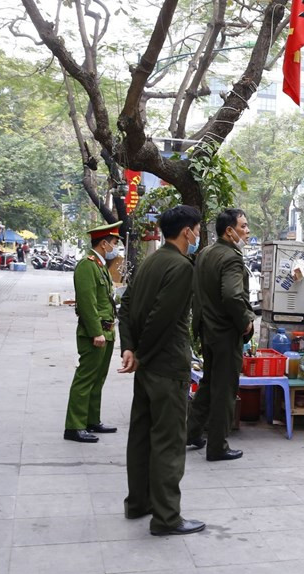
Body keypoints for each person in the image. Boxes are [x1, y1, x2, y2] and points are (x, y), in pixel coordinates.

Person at [118, 205, 206, 536]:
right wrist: (139, 352)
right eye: (196, 230)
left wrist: (130, 347)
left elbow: (125, 306)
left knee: (140, 437)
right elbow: (163, 319)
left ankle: (138, 503)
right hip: (166, 365)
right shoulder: (180, 267)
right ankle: (167, 517)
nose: (197, 236)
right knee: (168, 441)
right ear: (186, 231)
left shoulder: (151, 261)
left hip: (147, 366)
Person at [186, 209, 255, 461]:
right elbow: (232, 295)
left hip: (206, 329)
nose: (247, 232)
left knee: (208, 383)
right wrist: (245, 320)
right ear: (229, 231)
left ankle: (191, 432)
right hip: (225, 333)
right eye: (244, 226)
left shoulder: (205, 253)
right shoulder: (231, 258)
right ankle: (217, 446)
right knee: (224, 389)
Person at [63, 221, 123, 443]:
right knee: (86, 378)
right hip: (95, 333)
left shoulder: (99, 266)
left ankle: (91, 420)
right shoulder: (86, 266)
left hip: (106, 331)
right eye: (115, 243)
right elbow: (87, 303)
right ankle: (74, 426)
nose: (116, 247)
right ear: (104, 243)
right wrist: (96, 332)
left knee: (98, 378)